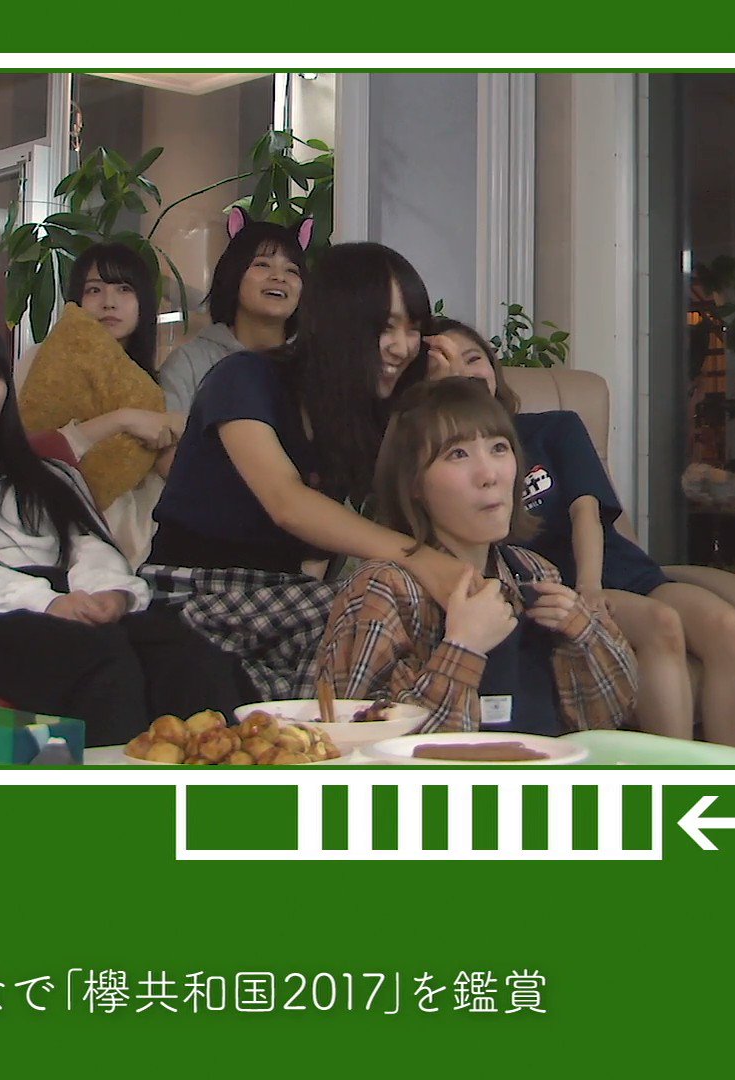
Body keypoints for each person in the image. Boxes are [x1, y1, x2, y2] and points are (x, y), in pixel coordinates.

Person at [0, 311, 247, 747]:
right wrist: (44, 601)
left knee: (188, 653)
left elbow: (88, 545)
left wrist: (108, 593)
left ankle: (224, 775)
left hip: (60, 608)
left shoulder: (47, 474)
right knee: (95, 655)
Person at [143, 242, 466, 701]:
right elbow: (287, 503)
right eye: (385, 327)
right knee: (376, 603)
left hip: (286, 600)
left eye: (414, 329)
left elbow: (424, 507)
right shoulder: (243, 378)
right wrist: (421, 560)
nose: (403, 347)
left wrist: (438, 403)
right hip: (194, 595)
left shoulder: (365, 414)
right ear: (336, 324)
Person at [423, 320, 735, 749]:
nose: (468, 373)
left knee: (727, 627)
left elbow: (587, 510)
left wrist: (591, 586)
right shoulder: (447, 462)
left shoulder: (555, 427)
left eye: (475, 359)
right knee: (661, 624)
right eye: (450, 365)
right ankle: (674, 776)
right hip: (551, 586)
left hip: (606, 569)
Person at [317, 378, 636, 734]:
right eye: (458, 454)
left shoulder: (535, 572)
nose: (489, 475)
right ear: (413, 483)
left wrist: (583, 633)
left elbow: (605, 719)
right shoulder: (383, 589)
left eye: (499, 448)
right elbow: (354, 741)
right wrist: (462, 649)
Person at [18, 242, 181, 565]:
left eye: (124, 289)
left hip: (139, 542)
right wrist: (125, 418)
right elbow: (28, 449)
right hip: (52, 529)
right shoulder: (41, 361)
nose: (109, 302)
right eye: (94, 290)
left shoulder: (155, 384)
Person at [159, 210, 313, 418]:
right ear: (233, 274)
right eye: (262, 265)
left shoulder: (314, 365)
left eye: (292, 270)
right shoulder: (189, 363)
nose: (279, 277)